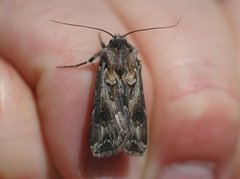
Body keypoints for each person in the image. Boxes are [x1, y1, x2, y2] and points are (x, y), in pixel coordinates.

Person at [0, 1, 239, 178]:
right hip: (133, 118)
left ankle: (107, 140)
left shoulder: (105, 56)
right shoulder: (134, 60)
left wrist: (84, 63)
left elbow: (92, 59)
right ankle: (132, 140)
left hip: (106, 112)